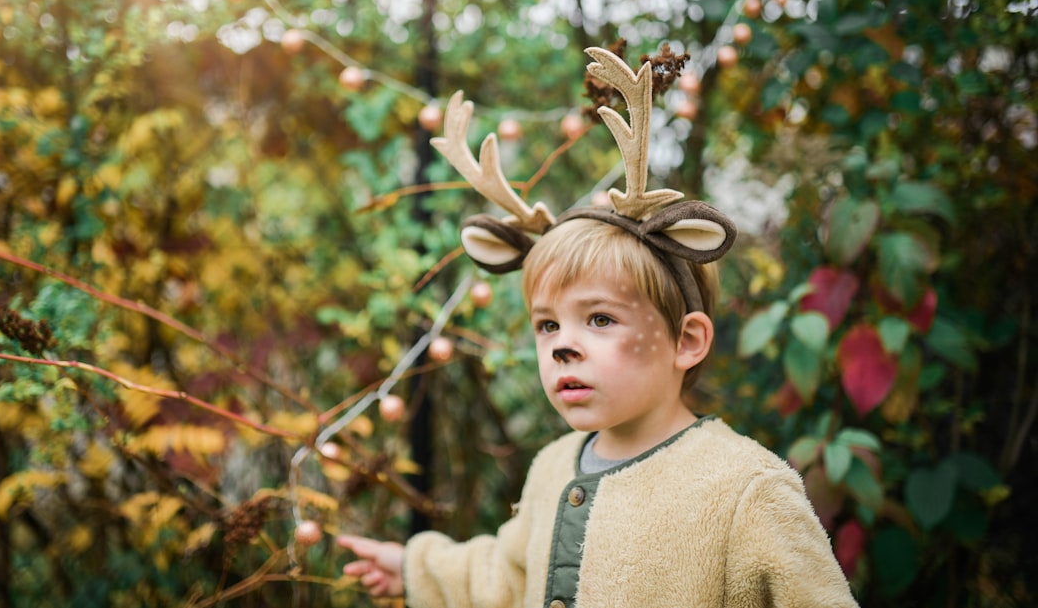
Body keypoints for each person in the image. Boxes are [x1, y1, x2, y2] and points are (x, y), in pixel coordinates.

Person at [338, 46, 859, 607]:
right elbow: (508, 576)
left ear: (686, 341)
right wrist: (416, 569)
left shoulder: (745, 491)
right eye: (546, 326)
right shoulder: (553, 468)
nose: (562, 345)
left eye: (600, 318)